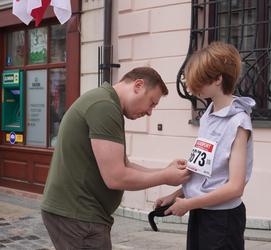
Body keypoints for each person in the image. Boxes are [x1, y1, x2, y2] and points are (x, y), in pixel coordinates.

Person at [41, 67, 191, 250]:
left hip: (80, 214)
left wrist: (165, 170)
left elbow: (124, 164)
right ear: (138, 85)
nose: (150, 112)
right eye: (152, 103)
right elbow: (116, 177)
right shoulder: (104, 106)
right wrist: (166, 177)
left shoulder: (105, 103)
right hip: (79, 216)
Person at [155, 41, 256, 250]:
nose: (193, 88)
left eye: (199, 81)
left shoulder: (238, 123)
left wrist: (188, 204)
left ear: (218, 79)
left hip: (223, 218)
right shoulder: (209, 115)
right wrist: (175, 197)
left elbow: (235, 188)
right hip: (201, 211)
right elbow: (204, 173)